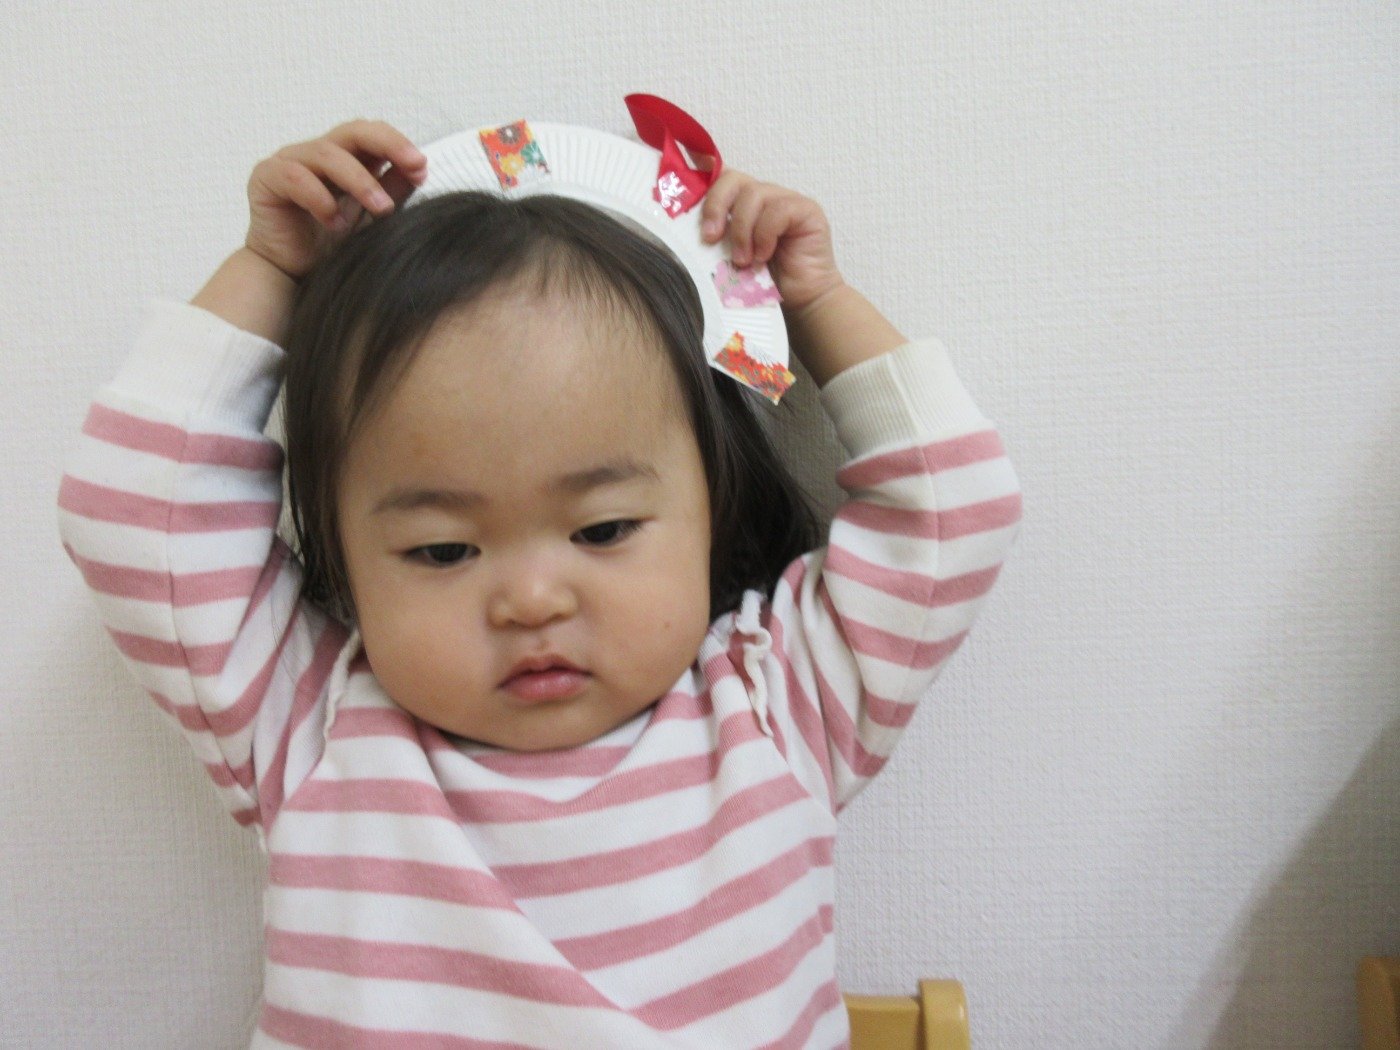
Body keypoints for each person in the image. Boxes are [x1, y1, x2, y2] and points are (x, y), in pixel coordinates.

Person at [58, 114, 1022, 1048]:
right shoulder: (310, 728)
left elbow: (953, 510)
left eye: (602, 530)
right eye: (443, 550)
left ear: (713, 509)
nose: (532, 602)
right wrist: (270, 272)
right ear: (345, 552)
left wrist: (818, 303)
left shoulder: (777, 708)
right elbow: (137, 512)